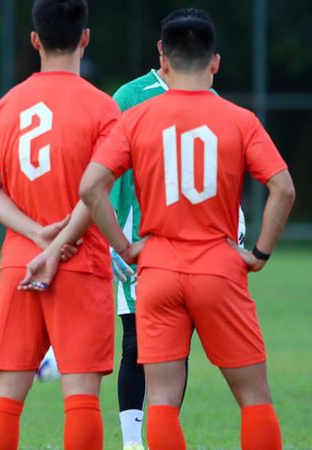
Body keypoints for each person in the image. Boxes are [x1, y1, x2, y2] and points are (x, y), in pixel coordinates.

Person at [75, 9, 293, 450]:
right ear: (215, 62)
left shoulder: (137, 116)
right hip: (219, 264)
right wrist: (260, 254)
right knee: (254, 398)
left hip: (158, 268)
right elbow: (283, 189)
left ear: (165, 61)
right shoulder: (239, 119)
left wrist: (124, 246)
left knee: (161, 400)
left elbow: (91, 186)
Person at [0, 0, 120, 448]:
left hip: (20, 259)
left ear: (35, 39)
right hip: (80, 257)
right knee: (81, 395)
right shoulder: (103, 109)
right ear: (85, 37)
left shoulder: (5, 106)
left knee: (7, 394)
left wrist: (35, 233)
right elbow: (95, 191)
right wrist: (57, 245)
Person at [106, 9, 246, 449]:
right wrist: (113, 238)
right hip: (140, 239)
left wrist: (236, 222)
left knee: (175, 352)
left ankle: (161, 434)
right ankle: (132, 441)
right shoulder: (129, 97)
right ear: (162, 52)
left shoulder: (210, 98)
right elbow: (103, 174)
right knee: (134, 342)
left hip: (202, 245)